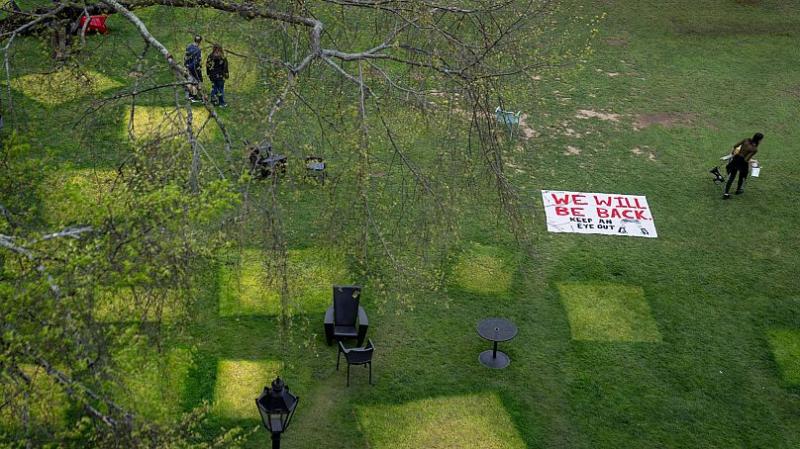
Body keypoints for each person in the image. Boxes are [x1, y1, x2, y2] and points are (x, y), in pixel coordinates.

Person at [723, 132, 763, 199]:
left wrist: (733, 153)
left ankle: (726, 193)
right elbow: (746, 159)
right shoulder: (754, 149)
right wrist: (754, 162)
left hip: (736, 159)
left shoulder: (746, 140)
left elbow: (735, 146)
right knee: (742, 176)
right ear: (759, 140)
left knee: (732, 177)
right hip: (742, 163)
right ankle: (738, 190)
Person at [184, 35, 203, 102]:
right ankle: (194, 96)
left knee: (190, 80)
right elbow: (197, 61)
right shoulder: (198, 50)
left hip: (187, 66)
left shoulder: (188, 46)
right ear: (200, 41)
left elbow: (185, 57)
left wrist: (186, 65)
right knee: (197, 81)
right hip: (194, 68)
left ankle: (190, 96)